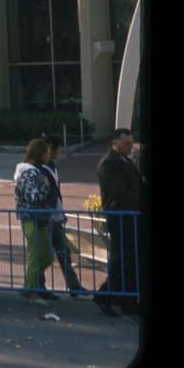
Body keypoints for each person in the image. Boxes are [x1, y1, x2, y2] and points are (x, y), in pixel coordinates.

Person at [95, 128, 140, 317]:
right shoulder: (108, 163)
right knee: (122, 260)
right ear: (115, 143)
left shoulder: (125, 160)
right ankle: (105, 296)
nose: (131, 147)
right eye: (126, 143)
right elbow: (119, 192)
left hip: (132, 217)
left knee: (132, 260)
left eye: (131, 143)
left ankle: (128, 301)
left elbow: (137, 185)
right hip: (120, 217)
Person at [39, 136, 87, 297]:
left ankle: (73, 286)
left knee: (62, 251)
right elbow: (46, 194)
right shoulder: (39, 169)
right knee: (45, 253)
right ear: (50, 149)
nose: (59, 151)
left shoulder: (51, 166)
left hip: (55, 214)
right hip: (47, 216)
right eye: (58, 148)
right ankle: (39, 286)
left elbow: (56, 192)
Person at [13, 138, 55, 305]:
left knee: (46, 256)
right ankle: (32, 292)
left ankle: (30, 286)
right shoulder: (30, 173)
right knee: (37, 257)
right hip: (32, 219)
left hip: (38, 220)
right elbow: (33, 196)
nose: (48, 155)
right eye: (46, 152)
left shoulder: (32, 172)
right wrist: (46, 186)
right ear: (40, 153)